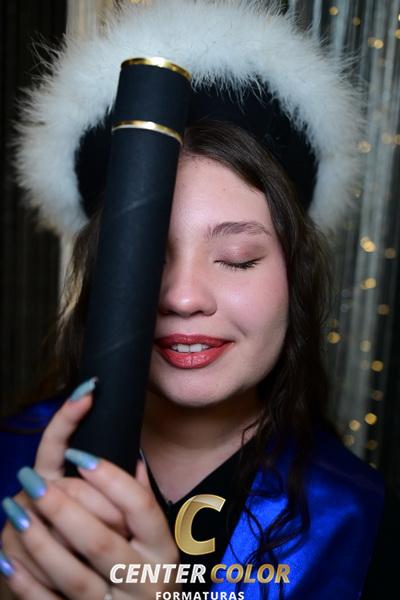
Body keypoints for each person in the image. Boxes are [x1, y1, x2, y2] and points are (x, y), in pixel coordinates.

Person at [0, 1, 396, 599]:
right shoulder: (11, 461)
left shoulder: (362, 520)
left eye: (237, 258)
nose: (183, 297)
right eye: (149, 258)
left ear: (295, 275)